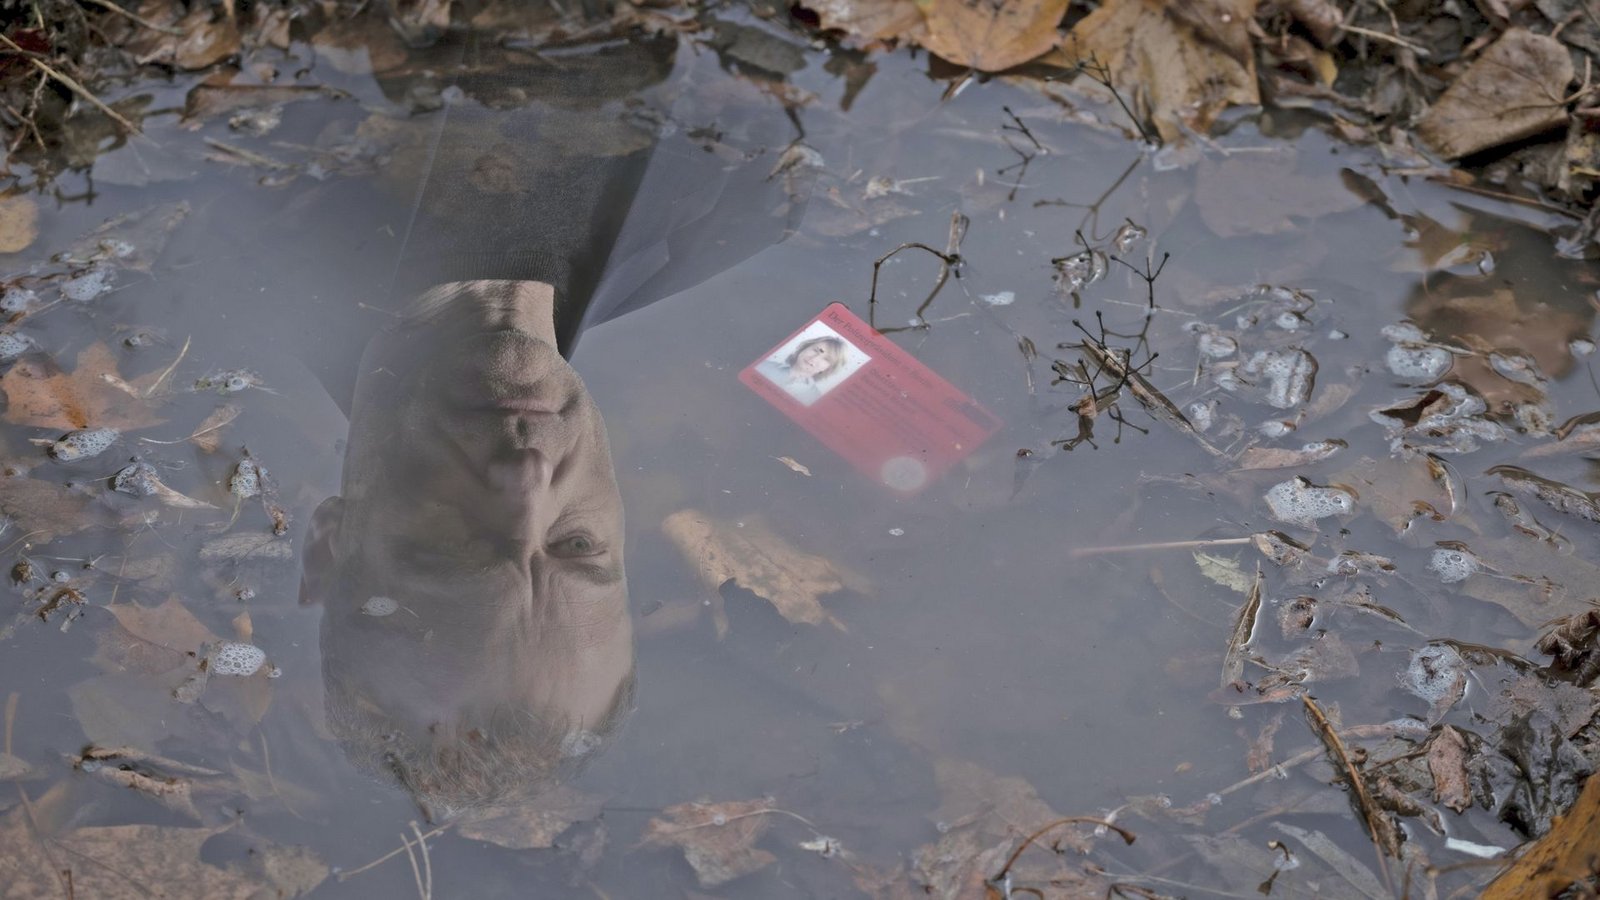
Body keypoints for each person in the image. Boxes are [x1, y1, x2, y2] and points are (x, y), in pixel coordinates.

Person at [300, 280, 635, 821]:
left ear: (331, 546)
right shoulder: (746, 214)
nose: (528, 476)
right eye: (577, 545)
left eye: (457, 549)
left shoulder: (212, 242)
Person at [758, 335, 848, 405]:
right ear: (804, 347)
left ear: (828, 369)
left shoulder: (815, 400)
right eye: (816, 350)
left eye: (826, 359)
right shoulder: (762, 365)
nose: (814, 358)